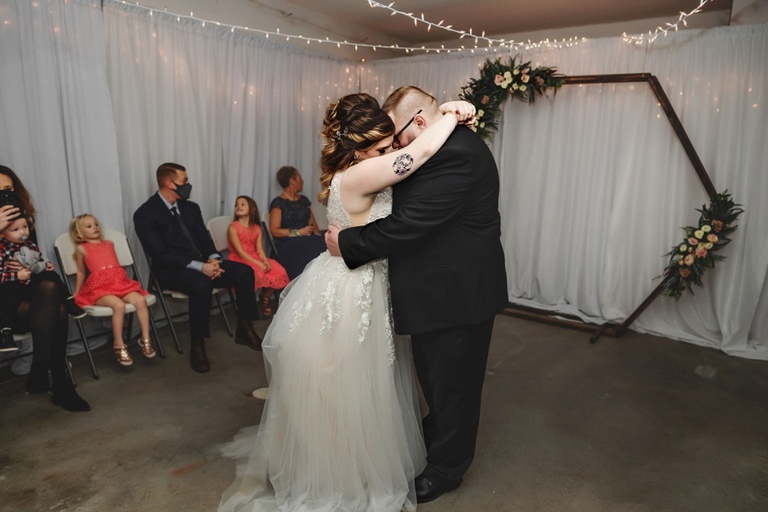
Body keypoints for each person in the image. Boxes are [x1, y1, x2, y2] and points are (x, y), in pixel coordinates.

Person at [218, 93, 475, 512]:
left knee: (360, 384)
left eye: (390, 144)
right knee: (349, 384)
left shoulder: (356, 170)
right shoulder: (360, 174)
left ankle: (351, 461)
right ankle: (341, 474)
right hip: (353, 289)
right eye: (381, 147)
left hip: (359, 277)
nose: (390, 151)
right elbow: (421, 152)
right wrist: (451, 113)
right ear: (358, 149)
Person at [325, 86, 509, 503]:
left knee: (455, 388)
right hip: (435, 294)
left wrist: (348, 243)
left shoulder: (457, 154)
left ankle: (447, 470)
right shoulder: (441, 143)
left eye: (398, 136)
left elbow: (411, 222)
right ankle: (434, 441)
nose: (396, 148)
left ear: (420, 122)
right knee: (437, 381)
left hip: (457, 296)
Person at [133, 162, 262, 373]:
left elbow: (204, 239)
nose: (188, 184)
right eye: (184, 180)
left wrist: (213, 259)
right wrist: (201, 267)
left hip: (203, 264)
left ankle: (245, 327)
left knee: (244, 272)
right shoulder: (145, 214)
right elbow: (160, 254)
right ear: (170, 183)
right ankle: (198, 344)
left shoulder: (190, 208)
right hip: (170, 270)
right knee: (202, 283)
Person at [0, 165, 90, 412]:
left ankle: (43, 371)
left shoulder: (21, 220)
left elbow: (32, 261)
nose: (4, 196)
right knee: (57, 309)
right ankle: (56, 380)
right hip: (5, 307)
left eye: (8, 190)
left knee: (50, 289)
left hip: (27, 293)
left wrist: (38, 265)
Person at [69, 213, 156, 366]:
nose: (95, 227)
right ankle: (119, 344)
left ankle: (145, 338)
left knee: (140, 301)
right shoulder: (82, 249)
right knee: (118, 306)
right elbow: (81, 271)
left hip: (120, 282)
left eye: (96, 224)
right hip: (100, 287)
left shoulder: (109, 243)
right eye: (89, 226)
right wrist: (77, 291)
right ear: (78, 234)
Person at [0, 209, 54, 352]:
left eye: (25, 227)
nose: (23, 232)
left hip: (28, 287)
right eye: (16, 230)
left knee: (51, 282)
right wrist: (16, 275)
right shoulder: (3, 248)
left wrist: (45, 265)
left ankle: (69, 299)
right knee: (9, 293)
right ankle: (5, 332)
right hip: (10, 293)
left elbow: (38, 262)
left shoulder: (30, 245)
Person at [227, 195, 289, 316]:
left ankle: (265, 296)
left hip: (254, 256)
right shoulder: (233, 227)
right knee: (256, 273)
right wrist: (258, 264)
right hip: (239, 259)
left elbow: (259, 249)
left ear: (252, 209)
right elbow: (240, 252)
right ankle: (248, 306)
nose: (238, 206)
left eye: (242, 204)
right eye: (236, 204)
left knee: (278, 270)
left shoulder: (256, 228)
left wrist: (264, 261)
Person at [268, 165, 326, 280]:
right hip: (287, 242)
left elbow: (313, 223)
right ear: (292, 181)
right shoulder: (278, 203)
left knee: (321, 240)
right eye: (299, 178)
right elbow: (274, 231)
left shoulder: (304, 200)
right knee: (312, 243)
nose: (302, 181)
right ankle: (304, 281)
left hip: (306, 239)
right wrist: (299, 232)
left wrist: (318, 235)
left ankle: (320, 279)